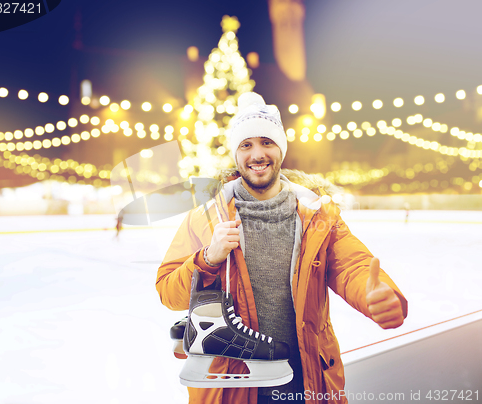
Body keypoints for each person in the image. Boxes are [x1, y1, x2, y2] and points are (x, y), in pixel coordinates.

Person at [156, 92, 407, 404]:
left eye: (267, 142)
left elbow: (351, 267)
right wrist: (208, 257)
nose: (257, 154)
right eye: (246, 145)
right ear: (236, 154)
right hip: (232, 384)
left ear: (281, 149)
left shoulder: (317, 215)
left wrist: (377, 295)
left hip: (303, 377)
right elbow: (168, 291)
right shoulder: (206, 217)